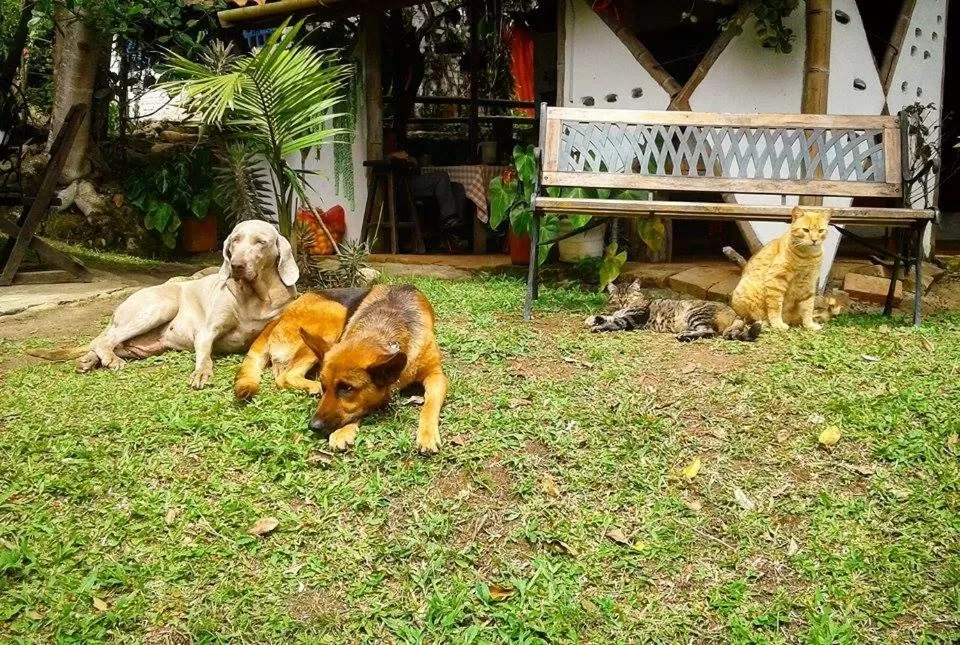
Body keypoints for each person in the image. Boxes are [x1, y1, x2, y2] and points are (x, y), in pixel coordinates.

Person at [385, 133, 469, 250]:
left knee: (458, 187)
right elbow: (379, 158)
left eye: (394, 140)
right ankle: (449, 218)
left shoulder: (401, 150)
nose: (393, 142)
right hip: (401, 185)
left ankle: (454, 229)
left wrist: (412, 162)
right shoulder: (382, 149)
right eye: (391, 140)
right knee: (441, 176)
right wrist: (392, 155)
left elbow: (416, 169)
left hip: (412, 180)